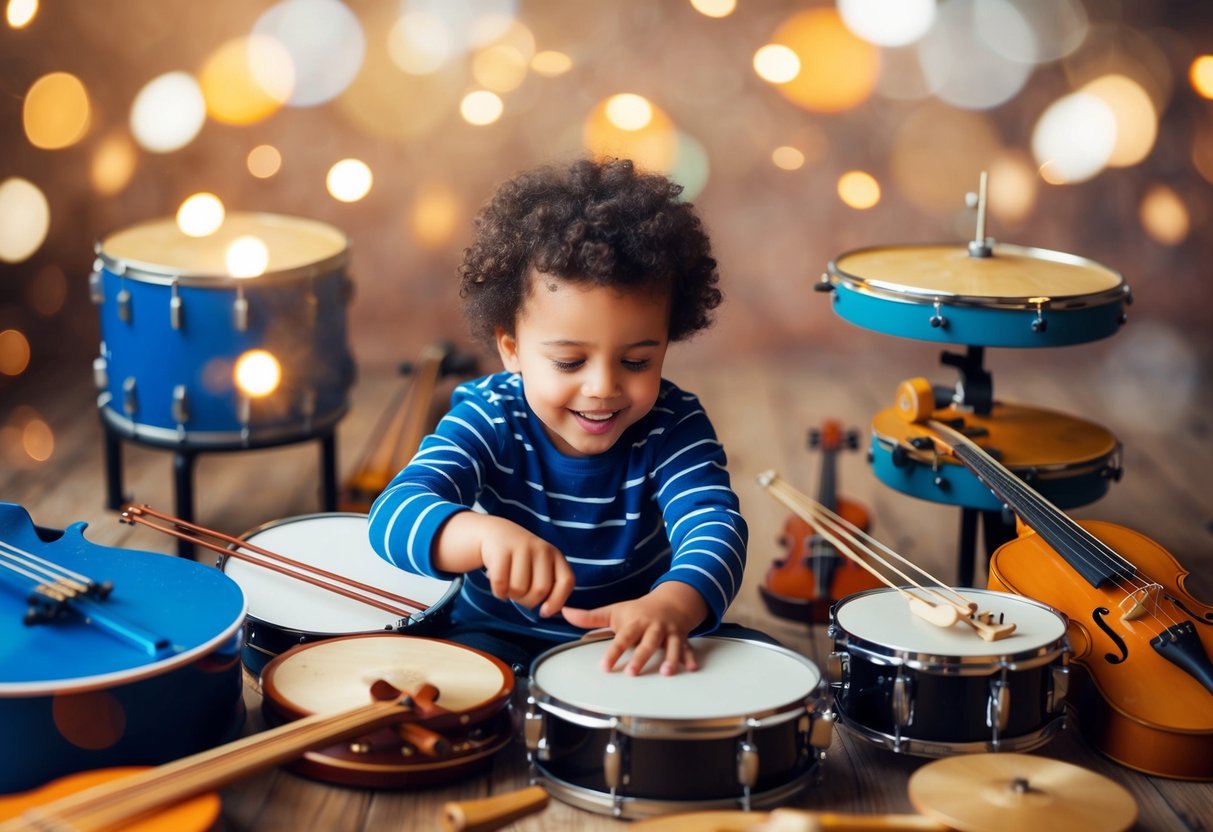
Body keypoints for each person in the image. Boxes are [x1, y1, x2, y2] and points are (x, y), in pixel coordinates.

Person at [368, 157, 747, 677]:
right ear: (511, 349)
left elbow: (714, 526)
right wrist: (483, 535)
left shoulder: (672, 424)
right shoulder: (490, 414)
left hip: (627, 640)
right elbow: (393, 515)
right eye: (569, 361)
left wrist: (673, 605)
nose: (603, 387)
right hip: (496, 634)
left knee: (749, 658)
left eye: (637, 361)